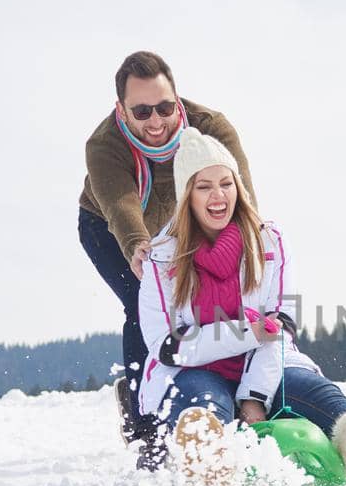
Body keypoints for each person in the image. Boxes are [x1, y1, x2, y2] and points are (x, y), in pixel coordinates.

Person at [137, 131, 346, 486]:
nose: (218, 196)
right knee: (204, 405)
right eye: (204, 187)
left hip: (265, 362)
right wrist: (247, 332)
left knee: (312, 392)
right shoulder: (162, 257)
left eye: (226, 183)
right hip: (194, 370)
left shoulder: (267, 243)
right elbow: (169, 346)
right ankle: (210, 469)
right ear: (187, 195)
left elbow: (279, 328)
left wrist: (254, 395)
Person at [77, 51, 258, 446]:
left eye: (164, 107)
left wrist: (253, 242)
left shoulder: (211, 128)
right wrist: (137, 245)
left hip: (185, 225)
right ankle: (147, 429)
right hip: (109, 230)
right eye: (142, 112)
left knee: (209, 301)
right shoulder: (105, 145)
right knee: (144, 307)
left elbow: (239, 192)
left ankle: (229, 397)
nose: (156, 121)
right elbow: (121, 203)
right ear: (121, 110)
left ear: (176, 99)